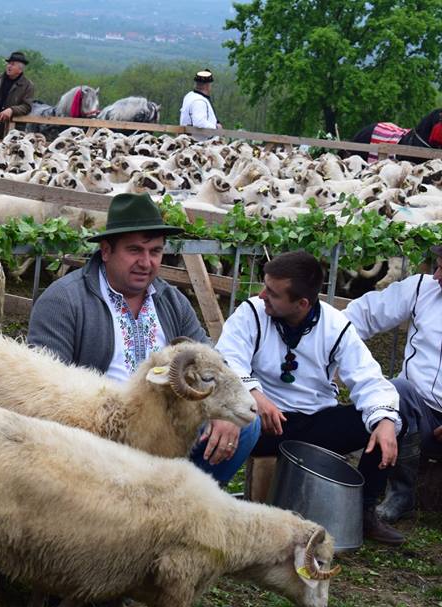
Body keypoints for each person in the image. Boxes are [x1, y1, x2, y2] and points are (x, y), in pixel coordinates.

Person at [28, 193, 259, 483]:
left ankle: (180, 507)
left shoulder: (171, 300)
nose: (146, 262)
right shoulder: (64, 300)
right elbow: (45, 384)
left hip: (164, 424)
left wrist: (222, 414)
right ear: (107, 250)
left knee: (246, 423)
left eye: (155, 251)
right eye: (135, 250)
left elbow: (208, 359)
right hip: (98, 429)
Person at [217, 250, 407, 545]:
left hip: (314, 426)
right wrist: (254, 394)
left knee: (390, 422)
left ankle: (364, 511)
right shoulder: (252, 312)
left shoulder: (335, 326)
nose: (262, 294)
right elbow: (228, 359)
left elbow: (369, 378)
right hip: (262, 424)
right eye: (265, 285)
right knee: (221, 418)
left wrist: (384, 420)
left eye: (273, 292)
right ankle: (209, 500)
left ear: (302, 303)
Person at [344, 246, 442, 523]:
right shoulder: (423, 288)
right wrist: (328, 338)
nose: (436, 275)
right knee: (397, 391)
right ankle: (401, 493)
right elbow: (362, 315)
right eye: (437, 265)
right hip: (420, 411)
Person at [0, 51, 34, 128]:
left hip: (12, 128)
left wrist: (12, 110)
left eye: (12, 64)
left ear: (20, 69)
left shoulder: (27, 85)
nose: (9, 66)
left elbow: (27, 107)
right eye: (8, 63)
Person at [179, 68, 221, 133]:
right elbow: (199, 123)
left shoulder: (189, 96)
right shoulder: (199, 101)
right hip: (199, 141)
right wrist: (216, 127)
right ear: (207, 85)